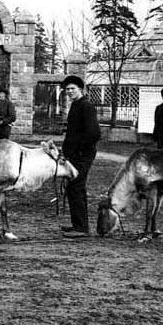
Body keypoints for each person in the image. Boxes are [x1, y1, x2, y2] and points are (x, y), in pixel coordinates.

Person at [61, 75, 100, 239]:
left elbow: (94, 133)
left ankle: (82, 228)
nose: (69, 92)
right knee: (73, 187)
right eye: (67, 89)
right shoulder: (76, 105)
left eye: (72, 89)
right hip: (74, 155)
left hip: (83, 155)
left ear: (80, 89)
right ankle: (78, 224)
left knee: (76, 187)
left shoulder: (86, 106)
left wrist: (79, 151)